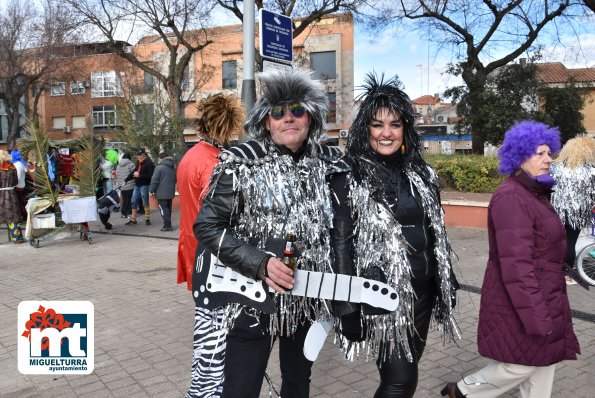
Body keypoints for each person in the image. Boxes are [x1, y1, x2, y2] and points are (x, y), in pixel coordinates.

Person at [194, 68, 342, 398]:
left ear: (311, 117)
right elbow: (207, 226)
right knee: (241, 389)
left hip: (305, 300)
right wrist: (260, 263)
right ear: (266, 121)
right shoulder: (240, 161)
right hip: (251, 301)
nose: (288, 118)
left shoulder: (330, 164)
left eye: (297, 110)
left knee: (297, 382)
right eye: (278, 112)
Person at [329, 74, 458, 398]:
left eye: (394, 124)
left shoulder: (421, 173)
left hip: (424, 293)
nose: (386, 133)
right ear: (366, 129)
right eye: (377, 125)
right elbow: (341, 244)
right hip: (383, 295)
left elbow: (436, 232)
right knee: (399, 381)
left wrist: (447, 280)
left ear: (405, 129)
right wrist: (346, 307)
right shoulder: (349, 176)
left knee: (407, 374)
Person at [441, 120, 580, 398]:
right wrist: (537, 315)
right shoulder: (512, 197)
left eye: (549, 153)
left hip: (545, 294)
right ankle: (465, 391)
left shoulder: (534, 193)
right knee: (520, 365)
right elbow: (517, 265)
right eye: (539, 153)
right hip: (522, 299)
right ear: (519, 156)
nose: (548, 159)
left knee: (543, 363)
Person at [177, 93, 245, 398]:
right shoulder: (214, 162)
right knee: (216, 341)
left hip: (197, 255)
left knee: (207, 335)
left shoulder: (191, 155)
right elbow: (222, 217)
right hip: (215, 264)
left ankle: (204, 390)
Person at [550, 135, 595, 285]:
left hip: (557, 211)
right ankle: (566, 273)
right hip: (578, 213)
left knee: (556, 241)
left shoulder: (556, 168)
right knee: (570, 242)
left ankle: (552, 270)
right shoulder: (590, 171)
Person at [125, 148, 155, 226]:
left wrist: (140, 175)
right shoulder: (139, 162)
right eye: (138, 155)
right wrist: (126, 179)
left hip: (144, 185)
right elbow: (134, 172)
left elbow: (150, 175)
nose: (138, 157)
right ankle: (133, 219)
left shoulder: (149, 163)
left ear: (144, 155)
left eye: (140, 155)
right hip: (137, 185)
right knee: (133, 201)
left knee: (145, 202)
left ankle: (147, 219)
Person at [149, 152, 177, 231]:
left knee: (163, 208)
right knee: (168, 208)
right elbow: (175, 179)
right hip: (170, 192)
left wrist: (151, 190)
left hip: (161, 193)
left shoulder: (159, 168)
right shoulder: (173, 167)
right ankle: (168, 224)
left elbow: (154, 180)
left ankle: (167, 225)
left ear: (161, 158)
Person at [0, 150, 23, 243]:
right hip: (11, 194)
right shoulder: (12, 167)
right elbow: (15, 182)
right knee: (12, 217)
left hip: (0, 195)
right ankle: (17, 238)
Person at [115, 152, 136, 218]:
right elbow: (134, 174)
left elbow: (117, 174)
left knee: (124, 200)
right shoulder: (131, 164)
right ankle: (129, 213)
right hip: (130, 185)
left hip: (122, 185)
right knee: (129, 200)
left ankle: (123, 213)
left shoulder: (118, 165)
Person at [11, 148, 28, 223]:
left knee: (18, 203)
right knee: (21, 202)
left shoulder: (16, 165)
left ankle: (21, 216)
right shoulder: (22, 163)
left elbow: (17, 178)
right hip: (22, 185)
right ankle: (24, 215)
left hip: (17, 186)